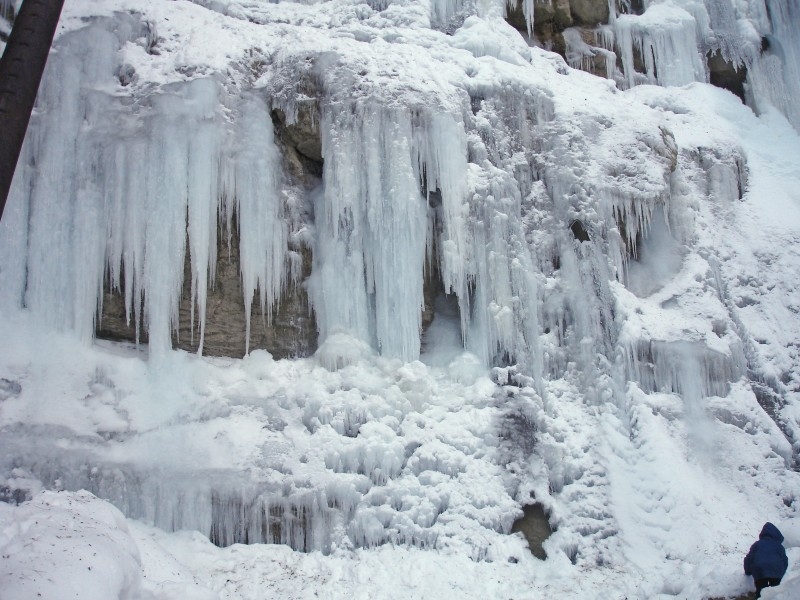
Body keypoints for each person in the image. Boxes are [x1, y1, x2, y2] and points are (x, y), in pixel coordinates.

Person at [744, 522, 788, 598]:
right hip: (776, 569)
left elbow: (749, 559)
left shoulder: (757, 544)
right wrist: (780, 574)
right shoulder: (779, 546)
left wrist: (748, 572)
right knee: (774, 594)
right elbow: (784, 561)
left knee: (760, 593)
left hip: (759, 569)